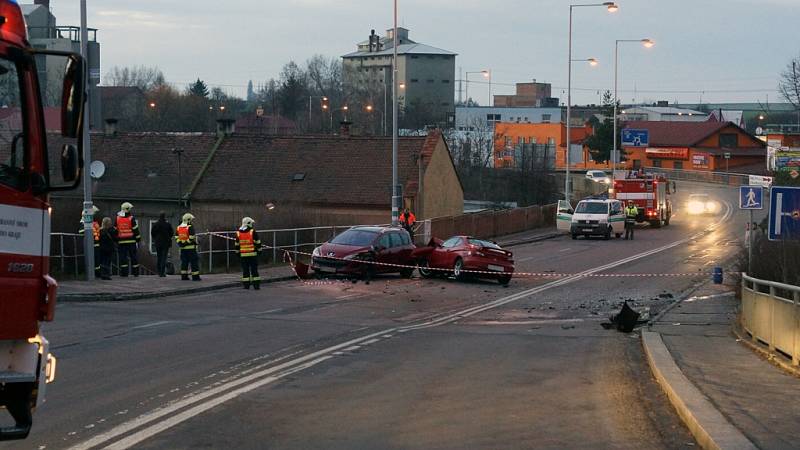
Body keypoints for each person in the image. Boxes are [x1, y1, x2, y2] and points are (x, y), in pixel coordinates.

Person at [115, 202, 141, 277]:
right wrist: (138, 239)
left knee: (123, 258)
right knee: (133, 257)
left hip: (121, 242)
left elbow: (115, 230)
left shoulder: (117, 218)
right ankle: (135, 273)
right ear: (127, 209)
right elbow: (135, 230)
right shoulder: (131, 218)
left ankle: (124, 273)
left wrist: (116, 239)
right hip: (131, 241)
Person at [235, 217, 261, 290]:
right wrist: (259, 251)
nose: (252, 224)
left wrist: (237, 253)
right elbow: (258, 243)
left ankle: (246, 286)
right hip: (253, 255)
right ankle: (256, 286)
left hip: (243, 256)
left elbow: (237, 245)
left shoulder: (238, 233)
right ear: (248, 223)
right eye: (251, 223)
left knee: (245, 271)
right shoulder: (252, 232)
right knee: (254, 271)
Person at [175, 213, 201, 281]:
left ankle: (184, 276)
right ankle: (195, 277)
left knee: (184, 263)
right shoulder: (190, 227)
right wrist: (187, 242)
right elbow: (191, 237)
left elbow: (176, 237)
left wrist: (181, 243)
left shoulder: (179, 227)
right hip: (191, 248)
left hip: (182, 249)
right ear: (188, 220)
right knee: (194, 262)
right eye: (191, 220)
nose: (192, 221)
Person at [78, 205, 101, 277]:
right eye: (94, 213)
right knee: (93, 260)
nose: (95, 215)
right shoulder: (84, 222)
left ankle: (97, 274)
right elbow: (81, 231)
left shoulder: (93, 222)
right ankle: (93, 274)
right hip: (90, 245)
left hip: (96, 244)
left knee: (97, 260)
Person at [150, 212, 174, 277]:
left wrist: (155, 239)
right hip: (166, 243)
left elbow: (152, 233)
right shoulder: (168, 225)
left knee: (159, 257)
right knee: (164, 257)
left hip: (158, 243)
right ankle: (162, 272)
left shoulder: (155, 225)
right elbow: (171, 233)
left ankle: (159, 271)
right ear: (165, 217)